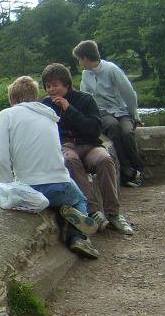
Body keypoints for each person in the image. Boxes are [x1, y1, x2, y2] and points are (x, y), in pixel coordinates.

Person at [0, 75, 100, 259]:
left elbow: (2, 160)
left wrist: (7, 187)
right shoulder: (49, 116)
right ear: (34, 97)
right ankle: (77, 237)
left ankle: (40, 202)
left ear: (13, 99)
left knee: (8, 193)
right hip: (60, 182)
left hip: (31, 186)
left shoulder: (7, 115)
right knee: (79, 200)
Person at [39, 63, 134, 236]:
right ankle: (93, 212)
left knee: (105, 159)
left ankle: (114, 214)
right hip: (66, 146)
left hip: (90, 145)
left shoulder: (85, 100)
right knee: (69, 160)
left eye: (55, 85)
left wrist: (69, 109)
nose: (51, 89)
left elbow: (94, 129)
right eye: (48, 86)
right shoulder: (46, 104)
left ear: (66, 85)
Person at [72, 40, 145, 187]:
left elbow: (129, 94)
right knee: (113, 128)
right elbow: (86, 97)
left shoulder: (112, 70)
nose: (79, 63)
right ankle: (126, 171)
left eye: (79, 59)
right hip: (103, 112)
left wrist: (134, 115)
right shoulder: (86, 75)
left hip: (121, 110)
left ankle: (138, 169)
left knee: (127, 132)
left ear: (86, 58)